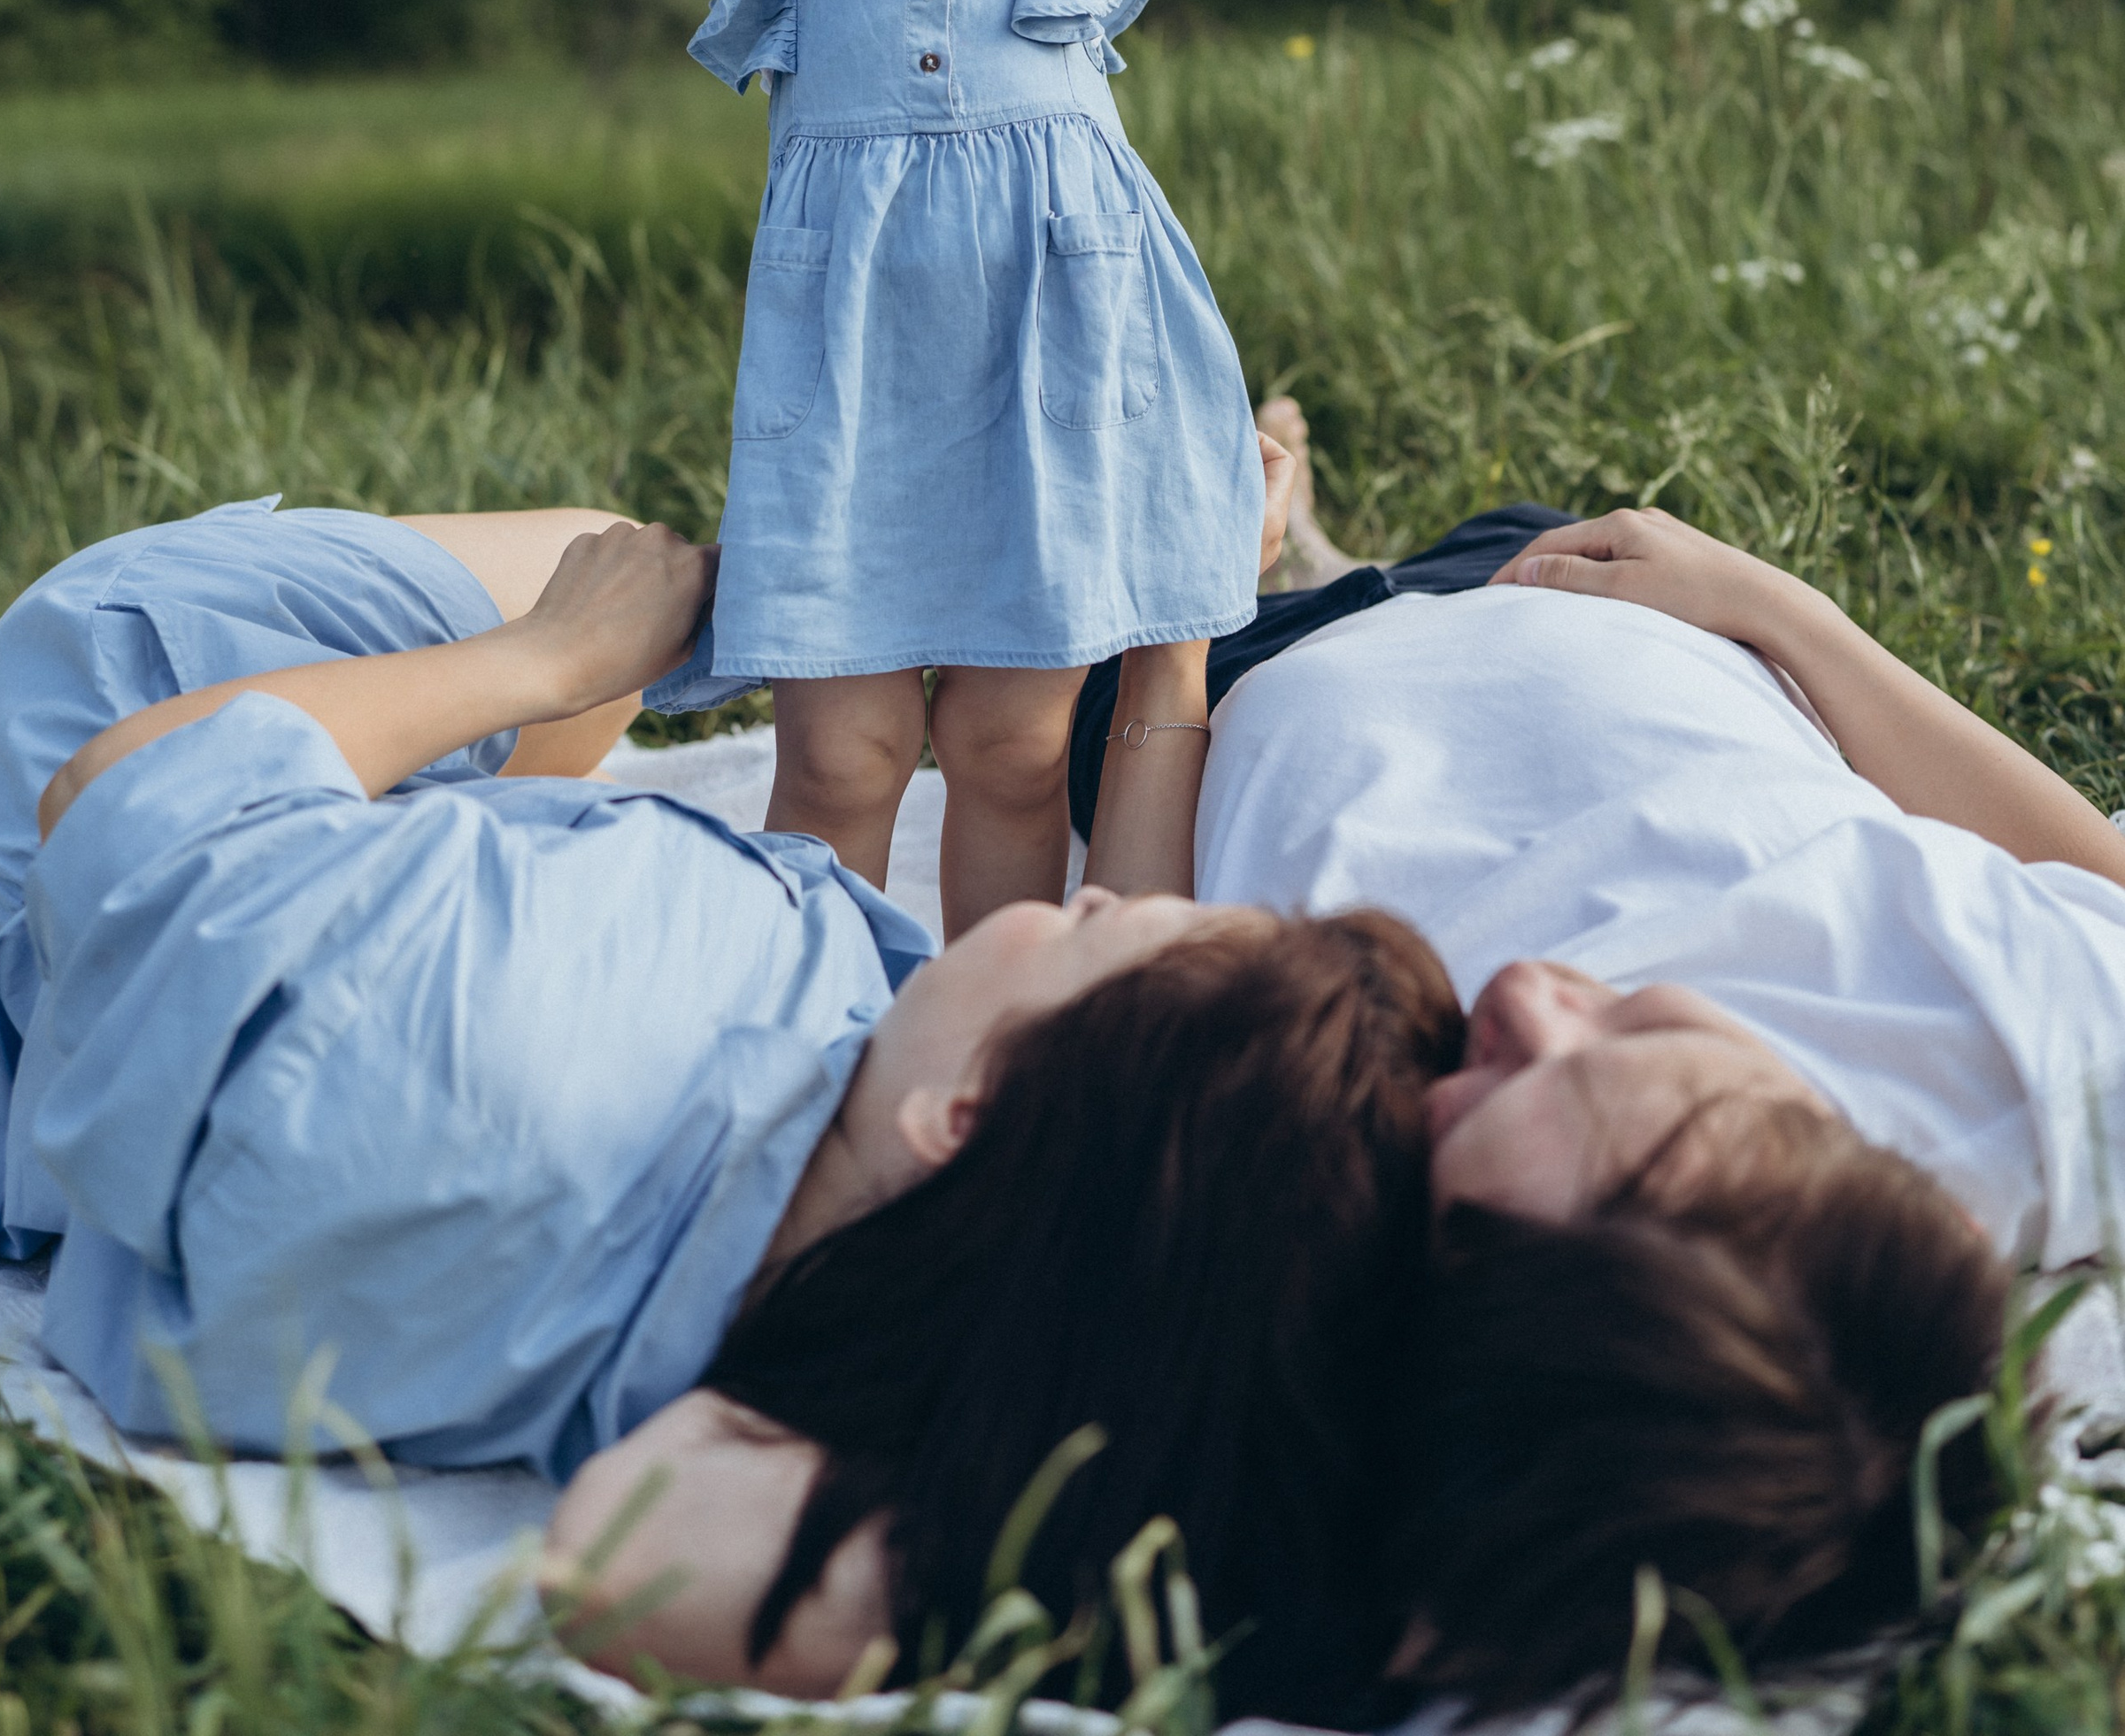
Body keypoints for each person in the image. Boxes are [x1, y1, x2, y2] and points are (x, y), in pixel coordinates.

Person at [177, 0, 1571, 930]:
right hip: (852, 408)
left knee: (1012, 753)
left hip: (1060, 396)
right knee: (842, 756)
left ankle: (987, 1020)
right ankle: (819, 1016)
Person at [0, 472, 1463, 1725]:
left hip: (88, 788)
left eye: (1107, 929)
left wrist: (558, 659)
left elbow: (112, 801)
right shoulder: (857, 1304)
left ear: (970, 1115)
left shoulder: (519, 1030)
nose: (1094, 901)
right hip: (324, 952)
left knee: (614, 564)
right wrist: (1175, 644)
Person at [565, 474, 2100, 1717]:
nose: (1524, 1000)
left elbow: (629, 1554)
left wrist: (1229, 1564)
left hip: (1203, 711)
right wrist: (1784, 614)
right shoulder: (2022, 1069)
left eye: (1469, 1089)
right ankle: (1292, 525)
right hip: (1577, 593)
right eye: (1649, 1054)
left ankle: (1259, 539)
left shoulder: (1309, 1249)